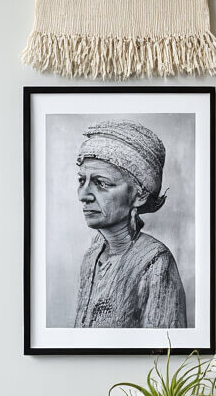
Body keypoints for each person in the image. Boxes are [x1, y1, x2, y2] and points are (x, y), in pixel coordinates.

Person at [74, 120, 187, 329]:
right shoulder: (92, 255)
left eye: (102, 183)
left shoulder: (155, 262)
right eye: (82, 181)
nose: (84, 195)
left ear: (140, 195)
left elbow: (164, 352)